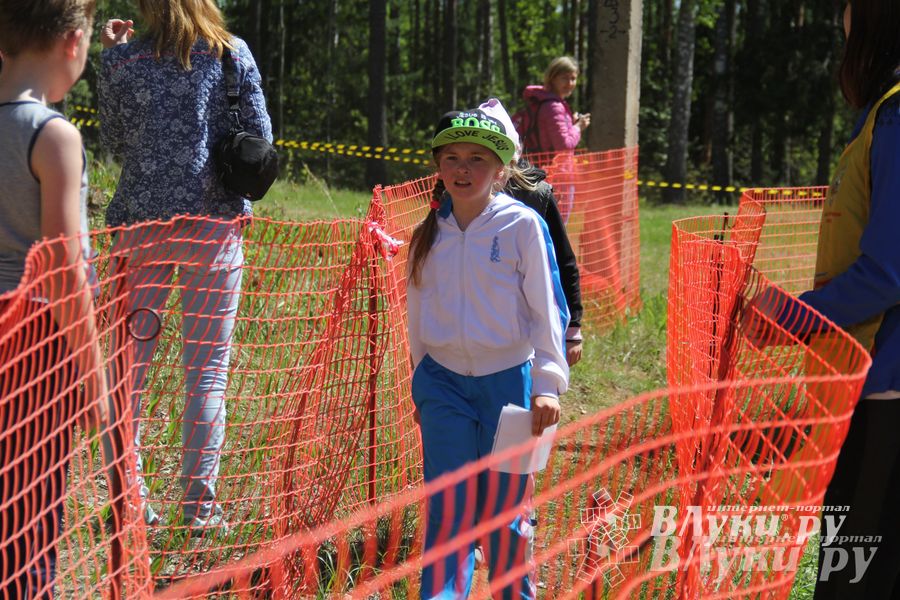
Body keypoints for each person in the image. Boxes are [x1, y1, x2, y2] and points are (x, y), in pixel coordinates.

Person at [98, 0, 272, 535]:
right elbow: (261, 138)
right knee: (208, 373)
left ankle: (130, 501)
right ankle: (200, 509)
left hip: (141, 232)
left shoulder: (124, 62)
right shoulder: (232, 54)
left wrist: (111, 57)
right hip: (214, 232)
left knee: (129, 374)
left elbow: (114, 142)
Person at [745, 2, 900, 596]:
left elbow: (889, 270)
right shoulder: (881, 114)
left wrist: (791, 314)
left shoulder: (895, 116)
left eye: (849, 19)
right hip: (862, 383)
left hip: (885, 386)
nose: (841, 26)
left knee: (855, 571)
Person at [407, 103, 569, 599]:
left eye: (477, 158)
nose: (462, 169)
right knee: (448, 511)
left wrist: (546, 384)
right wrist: (422, 384)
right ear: (438, 167)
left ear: (502, 169)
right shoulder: (427, 235)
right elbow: (417, 319)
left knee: (506, 516)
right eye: (452, 157)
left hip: (511, 388)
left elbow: (548, 310)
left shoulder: (522, 226)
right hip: (442, 385)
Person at [0, 0, 109, 596]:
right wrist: (95, 377)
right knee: (29, 510)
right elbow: (63, 268)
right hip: (34, 342)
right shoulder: (53, 134)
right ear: (73, 42)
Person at [482, 97, 584, 366]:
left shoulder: (537, 196)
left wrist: (573, 327)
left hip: (527, 324)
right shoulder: (459, 198)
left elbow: (564, 261)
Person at [519, 56, 590, 154]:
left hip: (542, 165)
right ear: (552, 79)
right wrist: (578, 127)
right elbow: (564, 146)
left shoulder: (545, 101)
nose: (570, 83)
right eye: (564, 78)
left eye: (573, 78)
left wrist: (571, 124)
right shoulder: (554, 107)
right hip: (552, 167)